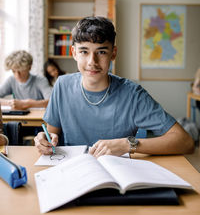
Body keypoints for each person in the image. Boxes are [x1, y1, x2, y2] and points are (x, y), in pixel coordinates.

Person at [34, 16, 194, 157]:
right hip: (72, 172)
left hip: (118, 177)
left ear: (113, 53)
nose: (92, 62)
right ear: (74, 53)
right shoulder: (62, 85)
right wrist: (44, 138)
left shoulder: (132, 94)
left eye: (101, 52)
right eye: (84, 51)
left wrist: (127, 144)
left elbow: (185, 142)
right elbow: (52, 134)